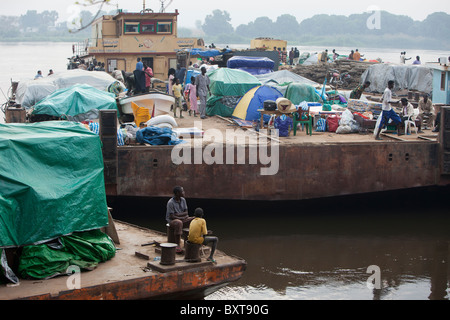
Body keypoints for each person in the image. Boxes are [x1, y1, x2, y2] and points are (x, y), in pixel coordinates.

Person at [166, 186, 194, 253]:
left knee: (194, 219)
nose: (184, 192)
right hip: (172, 221)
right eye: (182, 191)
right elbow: (172, 216)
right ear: (178, 193)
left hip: (182, 218)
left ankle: (189, 241)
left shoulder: (183, 200)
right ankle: (177, 245)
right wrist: (182, 217)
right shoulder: (170, 202)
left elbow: (186, 212)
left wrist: (178, 214)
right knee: (179, 223)